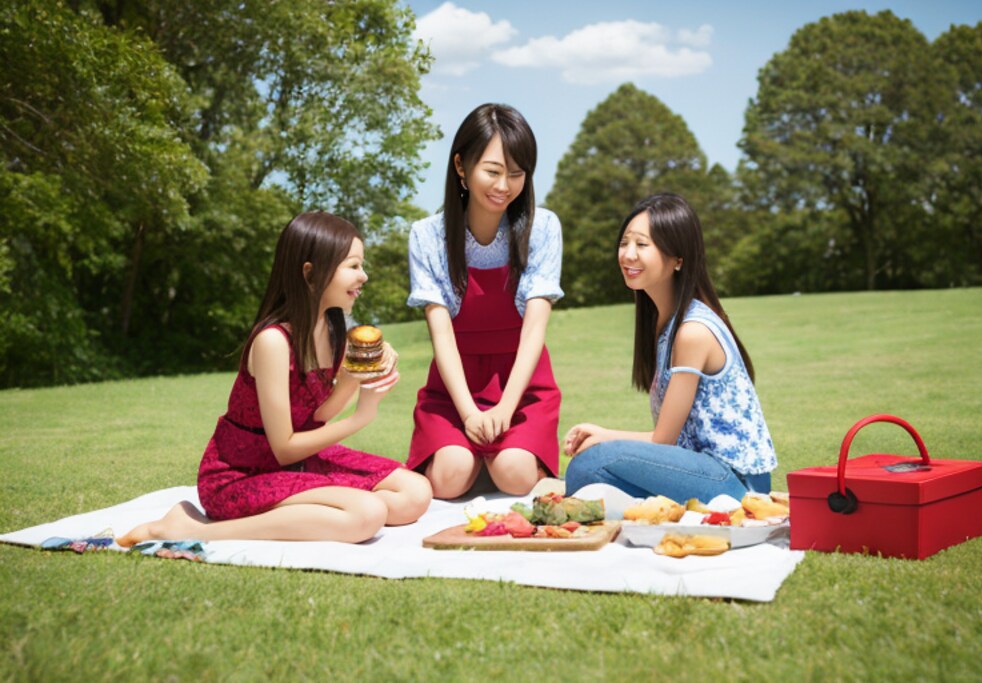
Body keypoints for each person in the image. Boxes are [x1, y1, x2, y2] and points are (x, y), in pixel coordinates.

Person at [118, 212, 432, 547]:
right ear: (310, 273)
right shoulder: (272, 341)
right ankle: (188, 527)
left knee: (415, 494)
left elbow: (319, 416)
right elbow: (283, 448)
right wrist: (361, 417)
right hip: (243, 474)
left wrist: (356, 377)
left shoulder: (333, 331)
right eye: (353, 265)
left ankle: (317, 515)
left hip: (300, 463)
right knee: (366, 515)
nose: (364, 276)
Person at [563, 193, 776, 503]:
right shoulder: (664, 324)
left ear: (678, 259)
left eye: (642, 244)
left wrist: (603, 435)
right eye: (625, 243)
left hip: (736, 483)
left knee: (591, 464)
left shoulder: (692, 331)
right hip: (699, 470)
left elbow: (663, 440)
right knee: (587, 475)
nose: (628, 255)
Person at [406, 103, 563, 499]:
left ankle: (501, 458)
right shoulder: (427, 236)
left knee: (515, 475)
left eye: (516, 173)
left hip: (522, 385)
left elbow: (534, 333)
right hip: (454, 385)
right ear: (461, 166)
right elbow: (441, 338)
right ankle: (471, 457)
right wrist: (469, 414)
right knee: (448, 478)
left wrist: (505, 409)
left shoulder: (543, 227)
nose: (504, 186)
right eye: (492, 171)